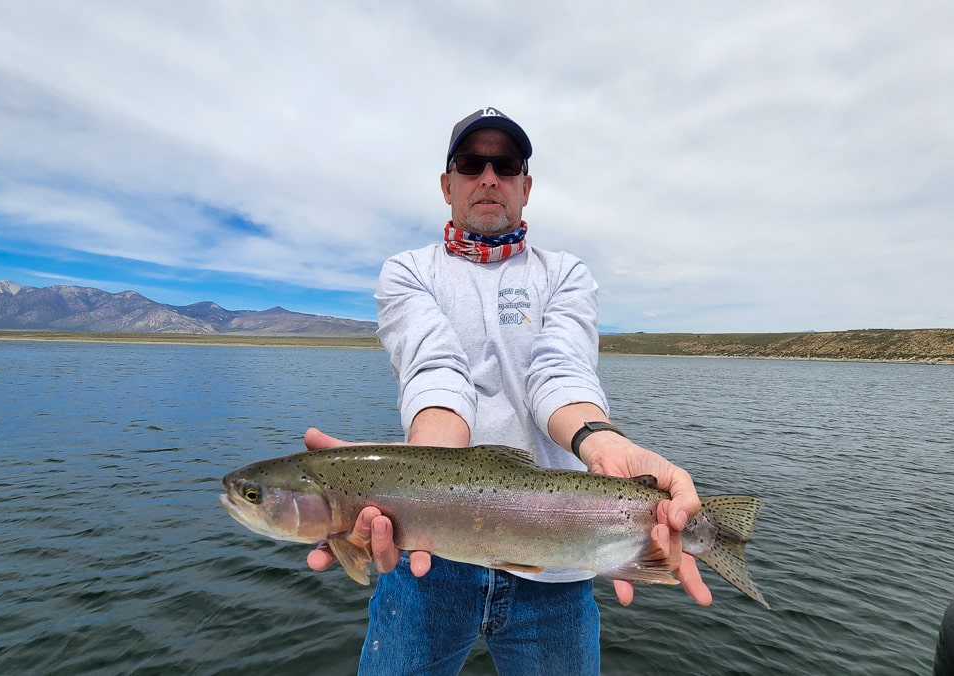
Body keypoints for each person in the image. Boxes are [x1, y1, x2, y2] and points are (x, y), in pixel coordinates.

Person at [303, 106, 712, 675]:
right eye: (472, 163)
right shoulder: (408, 271)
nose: (489, 177)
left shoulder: (565, 273)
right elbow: (436, 372)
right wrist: (431, 470)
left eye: (506, 164)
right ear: (448, 185)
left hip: (557, 561)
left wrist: (600, 442)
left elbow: (559, 372)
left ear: (525, 186)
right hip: (428, 550)